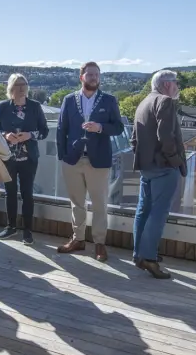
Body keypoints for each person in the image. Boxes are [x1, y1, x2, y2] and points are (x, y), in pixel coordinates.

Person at [55, 62, 124, 262]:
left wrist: (100, 127)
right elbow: (61, 129)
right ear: (81, 77)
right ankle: (78, 240)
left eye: (96, 74)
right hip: (73, 160)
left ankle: (99, 244)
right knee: (76, 203)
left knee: (100, 204)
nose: (94, 77)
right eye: (90, 74)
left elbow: (118, 127)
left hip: (98, 161)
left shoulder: (109, 100)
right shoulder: (69, 100)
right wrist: (63, 156)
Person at [130, 70, 185, 279]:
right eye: (175, 83)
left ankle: (139, 255)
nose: (177, 86)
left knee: (143, 210)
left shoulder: (143, 102)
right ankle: (150, 259)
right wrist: (176, 161)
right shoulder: (165, 102)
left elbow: (134, 139)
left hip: (147, 167)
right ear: (167, 84)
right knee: (158, 213)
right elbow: (166, 137)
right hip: (164, 167)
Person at [0, 73, 49, 244]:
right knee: (9, 192)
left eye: (24, 84)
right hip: (8, 157)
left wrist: (30, 135)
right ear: (10, 88)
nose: (21, 88)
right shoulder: (3, 106)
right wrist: (5, 135)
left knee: (27, 194)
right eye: (17, 85)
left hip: (29, 158)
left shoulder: (35, 107)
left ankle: (27, 231)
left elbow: (44, 131)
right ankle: (11, 227)